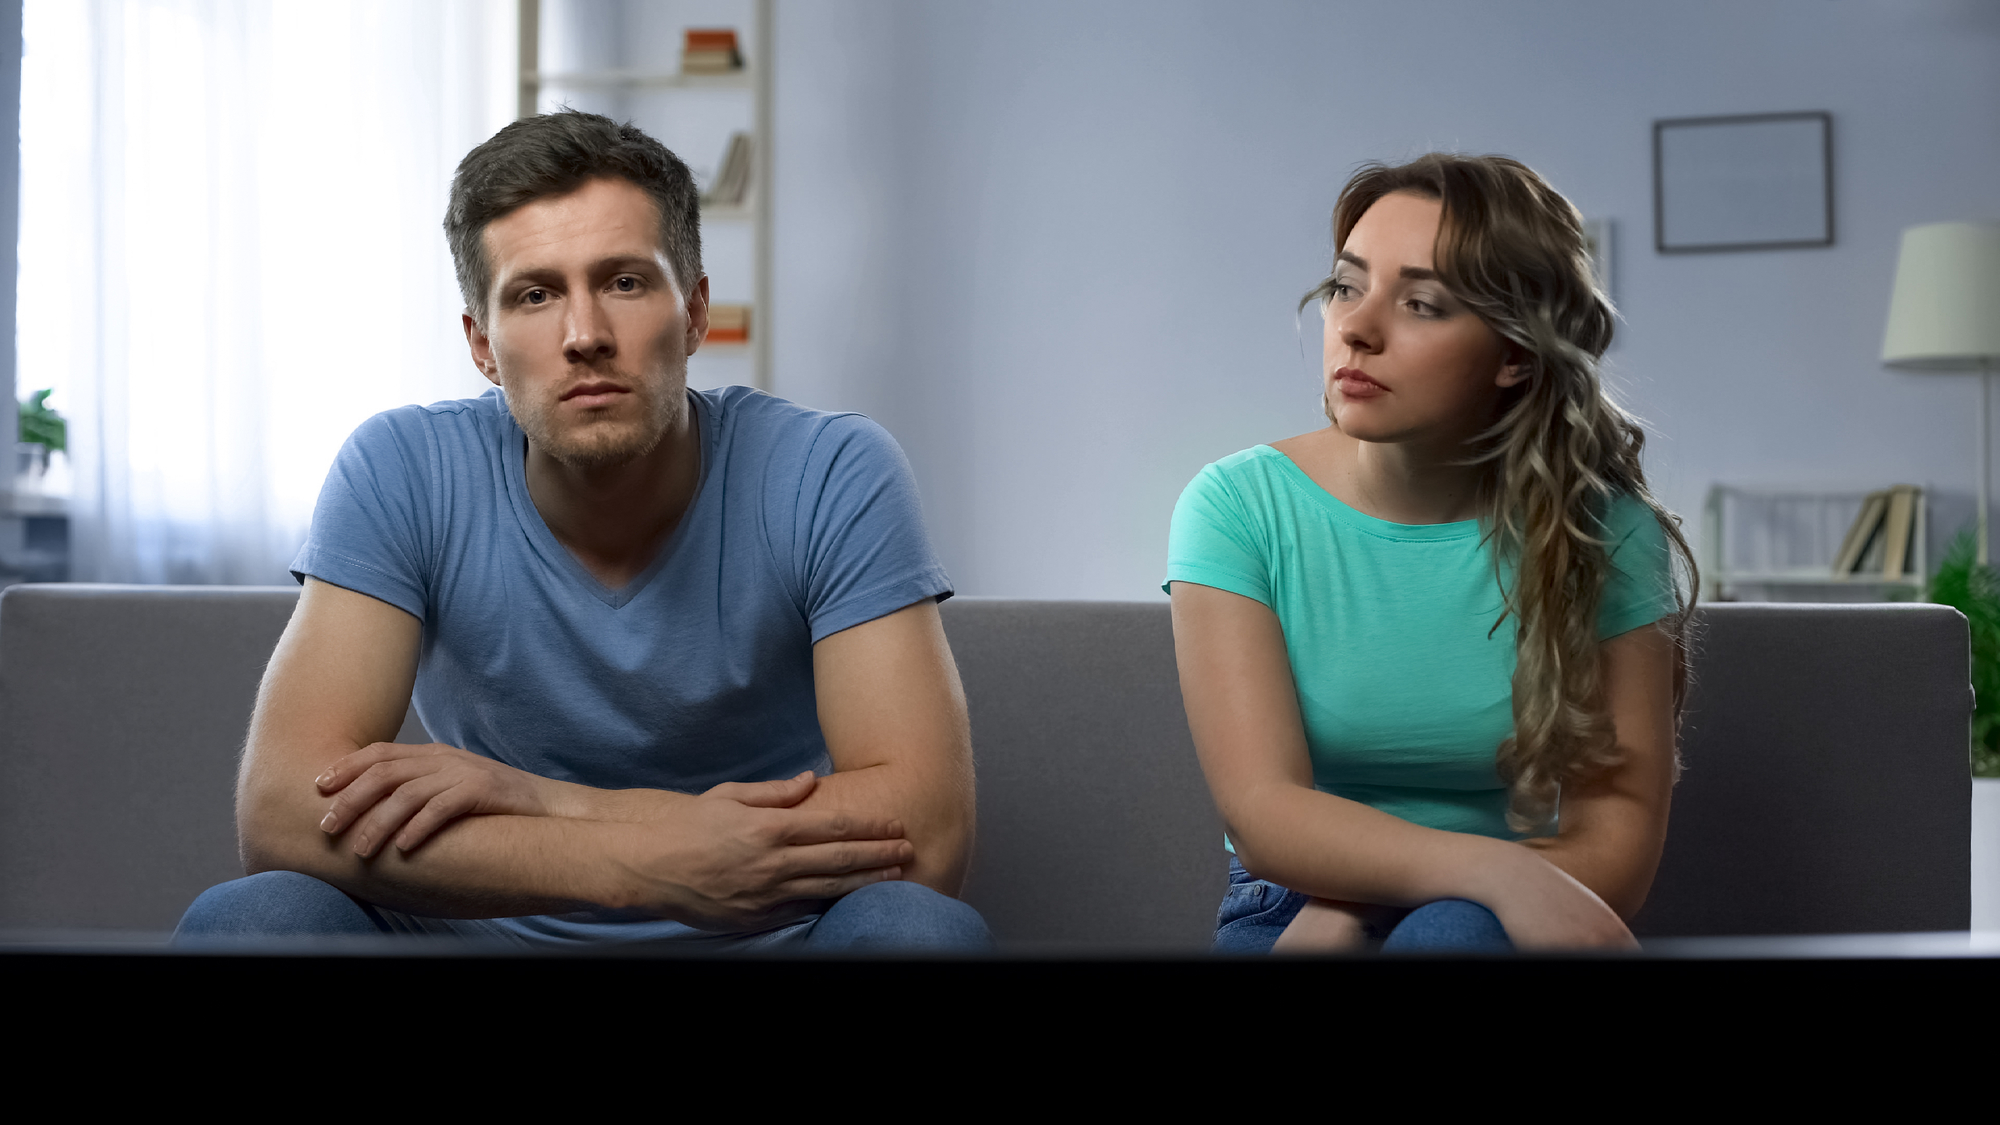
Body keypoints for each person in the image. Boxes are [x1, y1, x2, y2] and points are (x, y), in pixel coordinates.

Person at [175, 111, 990, 952]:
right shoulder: (402, 467)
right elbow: (280, 812)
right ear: (482, 346)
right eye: (535, 294)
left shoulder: (831, 469)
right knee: (250, 920)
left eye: (626, 282)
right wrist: (636, 859)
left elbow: (926, 833)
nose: (585, 335)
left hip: (764, 934)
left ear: (697, 310)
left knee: (916, 930)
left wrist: (538, 798)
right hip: (478, 932)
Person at [1166, 153, 1696, 954]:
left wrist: (1481, 886)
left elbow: (1616, 835)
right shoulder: (1237, 507)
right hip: (1296, 906)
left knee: (1455, 930)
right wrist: (1424, 887)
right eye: (1347, 286)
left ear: (1515, 353)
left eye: (1421, 303)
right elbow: (1265, 812)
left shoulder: (1607, 534)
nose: (1356, 327)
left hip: (1523, 902)